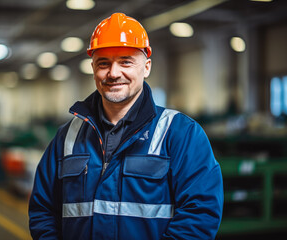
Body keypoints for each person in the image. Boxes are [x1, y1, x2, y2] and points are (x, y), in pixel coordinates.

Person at [29, 13, 223, 240]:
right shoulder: (67, 138)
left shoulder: (181, 134)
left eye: (125, 62)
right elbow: (42, 210)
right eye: (104, 63)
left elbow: (200, 214)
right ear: (93, 68)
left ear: (147, 67)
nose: (113, 73)